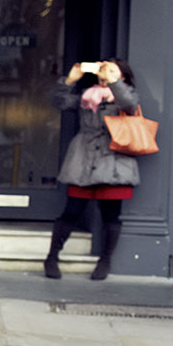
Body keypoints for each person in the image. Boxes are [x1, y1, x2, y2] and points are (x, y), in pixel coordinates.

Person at [46, 60, 140, 280]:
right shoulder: (87, 95)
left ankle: (105, 260)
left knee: (111, 215)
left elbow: (128, 104)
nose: (104, 74)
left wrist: (113, 81)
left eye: (112, 70)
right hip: (83, 159)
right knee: (71, 211)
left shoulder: (127, 93)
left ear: (123, 77)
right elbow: (59, 102)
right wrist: (71, 79)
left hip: (114, 160)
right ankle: (51, 258)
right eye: (102, 70)